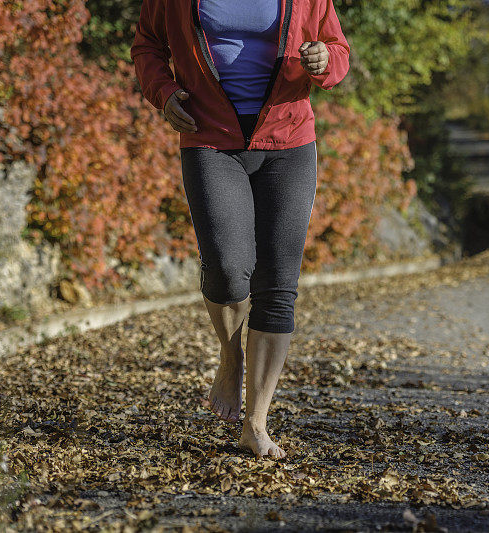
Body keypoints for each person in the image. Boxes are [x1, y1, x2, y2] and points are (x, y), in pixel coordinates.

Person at [131, 0, 350, 459]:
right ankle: (231, 359)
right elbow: (147, 45)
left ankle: (256, 423)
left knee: (278, 284)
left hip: (289, 141)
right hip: (210, 136)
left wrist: (326, 60)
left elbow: (338, 48)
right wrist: (164, 92)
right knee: (228, 270)